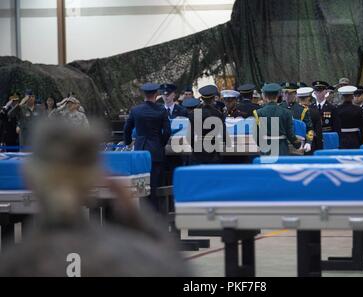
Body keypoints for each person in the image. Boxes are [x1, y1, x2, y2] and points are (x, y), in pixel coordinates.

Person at [0, 119, 188, 277]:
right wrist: (142, 223)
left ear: (29, 176)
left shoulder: (13, 264)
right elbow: (179, 272)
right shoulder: (133, 258)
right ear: (95, 178)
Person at [124, 83, 171, 212]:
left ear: (144, 95)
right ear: (156, 95)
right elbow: (167, 131)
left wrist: (128, 142)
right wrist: (160, 143)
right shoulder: (162, 110)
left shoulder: (136, 110)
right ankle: (156, 216)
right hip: (155, 152)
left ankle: (144, 215)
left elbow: (127, 128)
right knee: (155, 187)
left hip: (140, 151)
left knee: (141, 186)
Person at [253, 83, 302, 156]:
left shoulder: (258, 113)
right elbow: (290, 134)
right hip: (282, 147)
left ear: (265, 96)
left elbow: (256, 135)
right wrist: (297, 144)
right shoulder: (286, 112)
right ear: (278, 95)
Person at [188, 85, 227, 165]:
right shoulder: (218, 114)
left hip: (197, 152)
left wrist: (195, 147)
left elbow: (190, 136)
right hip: (213, 152)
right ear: (213, 99)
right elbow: (224, 135)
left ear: (201, 98)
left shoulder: (194, 113)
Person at [279, 82, 314, 150]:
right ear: (282, 94)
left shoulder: (302, 110)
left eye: (290, 93)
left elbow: (309, 129)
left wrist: (309, 142)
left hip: (298, 144)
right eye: (285, 93)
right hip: (281, 144)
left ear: (295, 94)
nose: (288, 96)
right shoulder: (278, 108)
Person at [297, 87, 322, 153]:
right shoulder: (314, 112)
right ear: (309, 98)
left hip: (296, 144)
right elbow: (318, 133)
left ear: (298, 98)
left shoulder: (292, 110)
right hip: (310, 144)